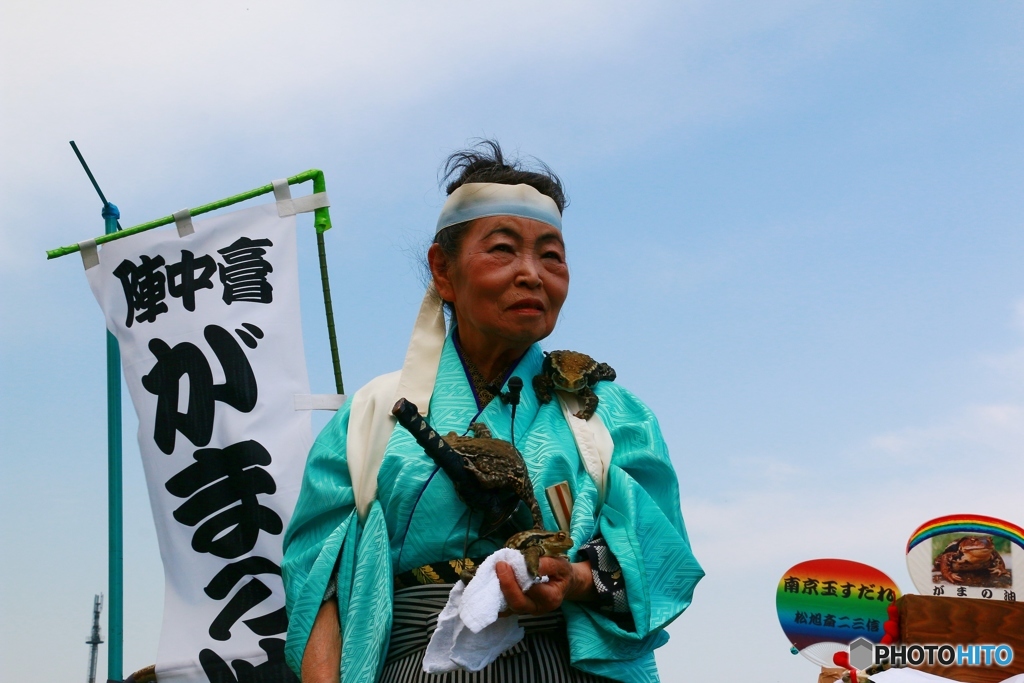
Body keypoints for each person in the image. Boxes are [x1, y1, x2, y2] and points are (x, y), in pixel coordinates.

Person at [282, 141, 703, 683]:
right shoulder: (370, 415)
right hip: (410, 664)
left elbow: (659, 555)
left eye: (551, 255)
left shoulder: (612, 415)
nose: (532, 273)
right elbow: (318, 580)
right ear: (443, 270)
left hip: (568, 666)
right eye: (503, 249)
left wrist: (572, 579)